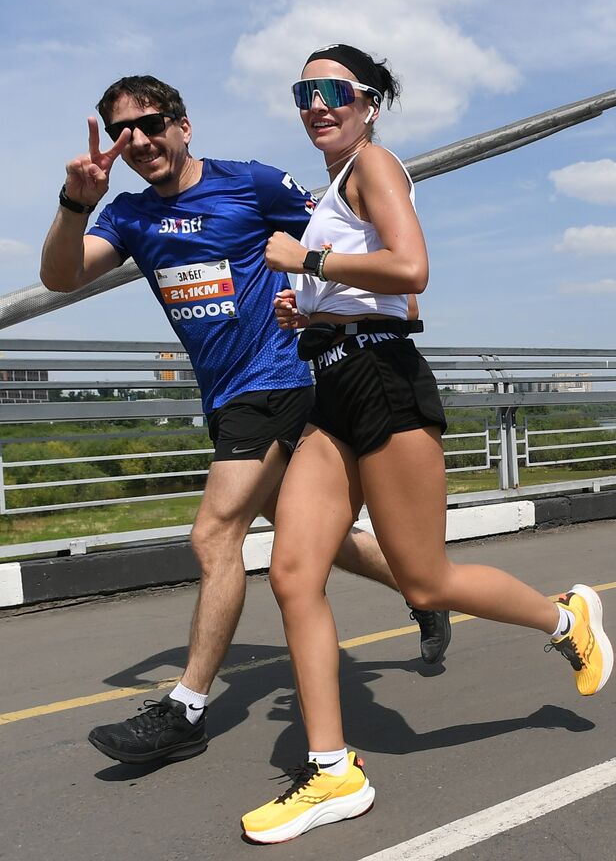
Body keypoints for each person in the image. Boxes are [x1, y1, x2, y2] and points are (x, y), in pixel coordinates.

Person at [240, 45, 612, 844]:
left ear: (369, 102)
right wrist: (314, 313)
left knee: (427, 579)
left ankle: (564, 619)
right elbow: (383, 297)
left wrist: (306, 260)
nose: (315, 103)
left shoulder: (375, 163)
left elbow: (412, 272)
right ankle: (332, 769)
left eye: (332, 90)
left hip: (382, 386)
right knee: (294, 569)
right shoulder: (337, 190)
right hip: (334, 385)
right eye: (304, 91)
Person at [39, 76, 449, 769]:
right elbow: (61, 276)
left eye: (151, 123)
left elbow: (344, 230)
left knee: (215, 531)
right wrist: (76, 203)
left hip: (281, 379)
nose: (137, 141)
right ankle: (424, 590)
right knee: (302, 532)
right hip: (226, 396)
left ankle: (186, 709)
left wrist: (355, 308)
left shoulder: (251, 184)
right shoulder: (132, 215)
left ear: (185, 125)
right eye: (122, 133)